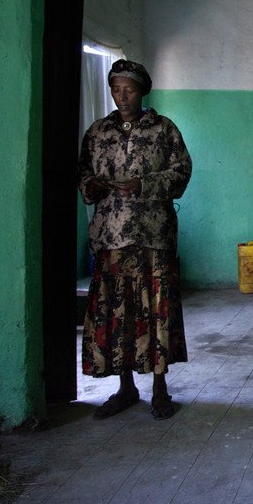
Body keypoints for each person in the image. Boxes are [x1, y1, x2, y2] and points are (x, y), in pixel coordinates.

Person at [78, 59, 192, 421]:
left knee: (154, 310)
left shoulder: (163, 129)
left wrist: (145, 184)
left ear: (142, 91)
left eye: (128, 89)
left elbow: (181, 171)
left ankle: (160, 389)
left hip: (152, 235)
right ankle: (125, 387)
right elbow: (82, 172)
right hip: (111, 237)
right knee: (118, 311)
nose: (121, 96)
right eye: (115, 89)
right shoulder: (98, 131)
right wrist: (90, 186)